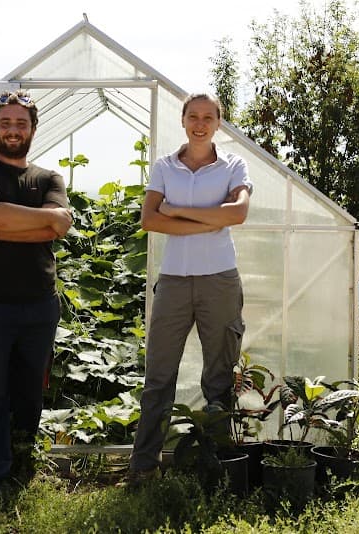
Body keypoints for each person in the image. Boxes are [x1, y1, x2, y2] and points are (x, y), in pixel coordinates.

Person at [0, 90, 72, 515]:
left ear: (33, 129)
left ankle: (19, 467)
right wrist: (33, 220)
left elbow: (59, 227)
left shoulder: (49, 179)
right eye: (7, 123)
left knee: (27, 394)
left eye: (22, 124)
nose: (14, 130)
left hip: (38, 305)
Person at [128, 93, 253, 482]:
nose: (200, 123)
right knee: (159, 376)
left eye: (208, 117)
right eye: (193, 116)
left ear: (219, 123)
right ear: (183, 120)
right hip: (175, 281)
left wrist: (178, 210)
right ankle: (144, 468)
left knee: (219, 375)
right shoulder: (165, 167)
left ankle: (215, 468)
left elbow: (238, 213)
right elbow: (150, 219)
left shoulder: (233, 164)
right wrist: (210, 220)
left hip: (220, 279)